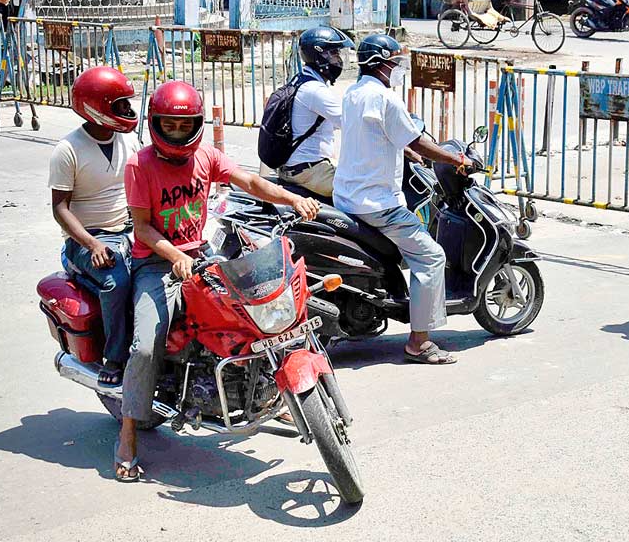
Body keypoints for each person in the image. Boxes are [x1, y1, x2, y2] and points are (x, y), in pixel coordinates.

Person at [114, 81, 322, 482]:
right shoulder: (139, 165)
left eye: (184, 125)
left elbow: (250, 183)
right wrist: (174, 256)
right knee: (144, 347)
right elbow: (141, 228)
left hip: (205, 253)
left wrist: (292, 198)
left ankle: (267, 388)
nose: (176, 133)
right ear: (156, 124)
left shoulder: (206, 156)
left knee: (258, 308)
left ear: (196, 124)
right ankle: (127, 433)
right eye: (168, 126)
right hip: (156, 265)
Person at [335, 34, 474, 364]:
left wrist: (407, 152)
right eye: (396, 63)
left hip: (348, 196)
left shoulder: (353, 93)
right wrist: (458, 161)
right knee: (431, 256)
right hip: (379, 204)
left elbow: (379, 134)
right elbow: (420, 140)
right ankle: (420, 342)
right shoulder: (386, 99)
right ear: (383, 64)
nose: (399, 69)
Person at [50, 66, 141, 388]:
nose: (129, 111)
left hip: (132, 229)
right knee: (117, 281)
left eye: (128, 104)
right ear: (96, 107)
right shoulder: (68, 150)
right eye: (120, 105)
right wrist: (92, 245)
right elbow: (59, 208)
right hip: (90, 239)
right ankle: (116, 357)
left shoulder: (129, 140)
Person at [276, 26, 355, 198]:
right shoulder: (316, 91)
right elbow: (352, 124)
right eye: (334, 53)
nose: (339, 59)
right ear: (320, 56)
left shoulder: (300, 80)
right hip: (308, 172)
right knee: (361, 190)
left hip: (296, 167)